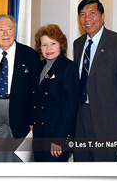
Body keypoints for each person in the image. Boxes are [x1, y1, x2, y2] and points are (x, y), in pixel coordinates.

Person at [73, 0, 117, 162]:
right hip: (81, 118)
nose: (87, 18)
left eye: (92, 13)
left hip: (107, 120)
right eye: (82, 14)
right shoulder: (78, 44)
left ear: (103, 16)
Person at [0, 14, 40, 162]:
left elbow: (35, 91)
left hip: (21, 111)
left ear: (15, 30)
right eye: (0, 29)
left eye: (9, 29)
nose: (5, 33)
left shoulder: (30, 55)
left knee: (22, 157)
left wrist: (33, 118)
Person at [33, 24, 79, 162]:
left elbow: (69, 108)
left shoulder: (68, 67)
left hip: (56, 137)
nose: (49, 48)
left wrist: (59, 139)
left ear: (61, 45)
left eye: (53, 43)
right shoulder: (40, 67)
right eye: (44, 44)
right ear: (39, 48)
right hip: (40, 135)